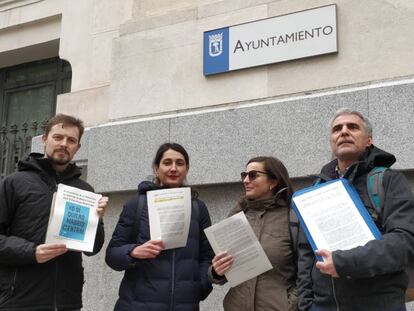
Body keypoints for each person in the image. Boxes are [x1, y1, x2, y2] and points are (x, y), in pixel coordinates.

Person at [297, 108, 414, 311]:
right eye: (337, 129)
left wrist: (343, 262)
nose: (343, 132)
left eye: (352, 127)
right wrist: (306, 304)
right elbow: (306, 253)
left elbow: (404, 242)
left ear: (369, 140)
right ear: (332, 142)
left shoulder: (388, 181)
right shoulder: (315, 189)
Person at [0, 114, 108, 311]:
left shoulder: (85, 190)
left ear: (78, 148)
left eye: (71, 140)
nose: (64, 144)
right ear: (44, 139)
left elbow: (93, 249)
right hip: (20, 301)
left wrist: (96, 220)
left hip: (68, 302)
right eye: (58, 137)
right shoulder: (14, 183)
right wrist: (32, 252)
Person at [105, 142, 213, 311]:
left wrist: (198, 287)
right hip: (137, 305)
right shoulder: (137, 204)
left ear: (186, 169)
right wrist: (133, 251)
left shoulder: (198, 208)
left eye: (180, 163)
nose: (173, 168)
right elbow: (112, 255)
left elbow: (207, 256)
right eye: (167, 162)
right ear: (156, 169)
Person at [209, 156, 298, 311]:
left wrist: (290, 306)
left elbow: (308, 271)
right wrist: (216, 271)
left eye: (253, 175)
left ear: (273, 182)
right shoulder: (237, 215)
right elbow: (220, 273)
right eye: (244, 175)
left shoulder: (292, 217)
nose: (245, 180)